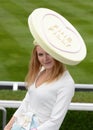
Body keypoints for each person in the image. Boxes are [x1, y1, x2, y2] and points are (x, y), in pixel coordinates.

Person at [4, 42, 75, 130]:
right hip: (20, 126)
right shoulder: (40, 71)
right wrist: (8, 127)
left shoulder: (66, 83)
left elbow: (55, 121)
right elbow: (26, 102)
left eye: (48, 53)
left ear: (56, 53)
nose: (45, 59)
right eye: (40, 54)